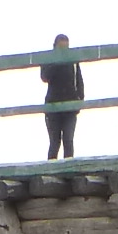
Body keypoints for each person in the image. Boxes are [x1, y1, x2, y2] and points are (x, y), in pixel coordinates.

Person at [40, 33, 83, 161]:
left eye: (66, 48)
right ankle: (51, 168)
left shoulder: (73, 61)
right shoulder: (49, 59)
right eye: (61, 48)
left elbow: (79, 81)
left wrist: (80, 100)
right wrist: (57, 61)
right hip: (52, 106)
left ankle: (69, 168)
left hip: (70, 106)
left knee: (68, 140)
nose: (64, 51)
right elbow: (45, 77)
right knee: (55, 142)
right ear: (55, 47)